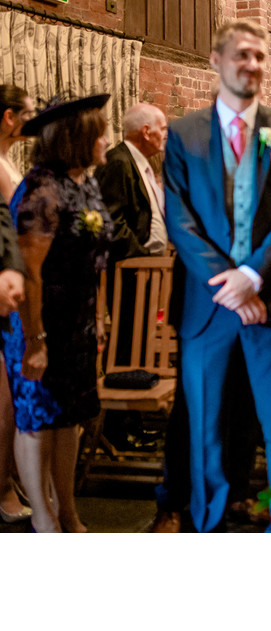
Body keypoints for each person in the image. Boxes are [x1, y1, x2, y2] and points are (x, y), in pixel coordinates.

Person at [163, 20, 271, 533]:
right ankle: (207, 525)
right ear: (216, 61)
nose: (252, 65)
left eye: (260, 57)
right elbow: (179, 220)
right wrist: (230, 285)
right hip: (208, 307)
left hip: (270, 300)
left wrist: (252, 275)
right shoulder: (183, 134)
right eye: (242, 55)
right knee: (205, 427)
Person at [4, 93, 113, 532]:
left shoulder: (83, 182)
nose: (106, 140)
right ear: (76, 137)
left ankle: (68, 509)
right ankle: (45, 522)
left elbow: (98, 256)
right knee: (37, 417)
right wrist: (35, 340)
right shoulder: (41, 189)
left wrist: (100, 317)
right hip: (40, 322)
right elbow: (28, 271)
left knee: (69, 419)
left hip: (78, 322)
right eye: (99, 133)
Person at [93, 102, 168, 452]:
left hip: (147, 265)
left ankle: (135, 422)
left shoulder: (141, 162)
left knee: (138, 345)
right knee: (126, 345)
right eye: (162, 127)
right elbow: (112, 220)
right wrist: (139, 255)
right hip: (129, 268)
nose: (165, 134)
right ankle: (119, 428)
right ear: (145, 132)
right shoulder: (119, 162)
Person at [0, 85, 31, 524]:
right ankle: (3, 487)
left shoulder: (9, 159)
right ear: (9, 117)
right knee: (4, 395)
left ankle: (11, 477)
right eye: (27, 113)